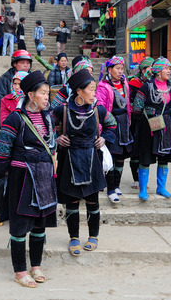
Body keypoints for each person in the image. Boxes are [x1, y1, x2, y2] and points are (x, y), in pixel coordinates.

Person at [0, 71, 58, 288]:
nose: (46, 97)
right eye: (43, 93)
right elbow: (2, 150)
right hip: (22, 178)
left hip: (43, 177)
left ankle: (36, 266)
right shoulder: (15, 118)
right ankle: (20, 271)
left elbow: (52, 144)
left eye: (47, 93)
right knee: (21, 225)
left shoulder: (48, 117)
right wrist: (2, 173)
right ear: (31, 95)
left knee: (40, 223)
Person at [52, 69, 116, 256]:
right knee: (71, 201)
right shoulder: (62, 110)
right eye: (90, 89)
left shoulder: (98, 109)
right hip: (69, 158)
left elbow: (112, 124)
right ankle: (73, 237)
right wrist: (56, 138)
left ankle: (93, 236)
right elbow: (46, 126)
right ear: (79, 91)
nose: (94, 93)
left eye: (95, 89)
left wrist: (104, 138)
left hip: (91, 158)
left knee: (92, 200)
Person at [133, 57, 171, 200]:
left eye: (169, 68)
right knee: (146, 158)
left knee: (164, 158)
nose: (169, 71)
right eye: (166, 68)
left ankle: (161, 188)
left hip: (166, 127)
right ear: (158, 72)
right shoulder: (147, 87)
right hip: (149, 127)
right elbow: (137, 108)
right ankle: (143, 189)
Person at [96, 56, 133, 203]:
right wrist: (101, 129)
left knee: (121, 156)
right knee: (110, 155)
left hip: (123, 123)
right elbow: (101, 109)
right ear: (109, 70)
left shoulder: (125, 83)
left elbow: (128, 104)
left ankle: (117, 185)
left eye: (121, 68)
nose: (120, 71)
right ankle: (110, 188)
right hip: (111, 123)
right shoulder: (103, 86)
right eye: (117, 68)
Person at [128, 57, 154, 189]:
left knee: (145, 149)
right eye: (148, 68)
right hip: (135, 120)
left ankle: (143, 178)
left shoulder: (154, 84)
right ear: (143, 70)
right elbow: (129, 102)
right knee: (135, 149)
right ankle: (135, 178)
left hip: (148, 121)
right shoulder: (133, 83)